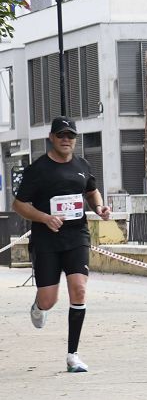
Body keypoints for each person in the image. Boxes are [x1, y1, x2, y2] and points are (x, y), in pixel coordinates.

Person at [13, 117, 111, 373]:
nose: (66, 139)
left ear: (75, 139)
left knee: (79, 289)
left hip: (77, 236)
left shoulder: (82, 165)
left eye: (70, 135)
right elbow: (19, 205)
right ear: (51, 138)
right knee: (49, 300)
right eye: (61, 135)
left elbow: (91, 191)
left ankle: (73, 355)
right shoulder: (38, 169)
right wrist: (45, 218)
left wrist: (99, 207)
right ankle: (39, 306)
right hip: (46, 239)